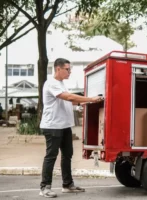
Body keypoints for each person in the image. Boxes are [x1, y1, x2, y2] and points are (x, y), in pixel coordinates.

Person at [39, 58, 103, 198]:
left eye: (70, 69)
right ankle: (45, 187)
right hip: (53, 126)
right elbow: (67, 97)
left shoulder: (61, 84)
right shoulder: (51, 83)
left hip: (64, 125)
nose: (70, 72)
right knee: (51, 156)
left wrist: (83, 103)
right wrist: (90, 99)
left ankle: (67, 185)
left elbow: (71, 100)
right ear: (58, 69)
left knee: (67, 155)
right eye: (67, 69)